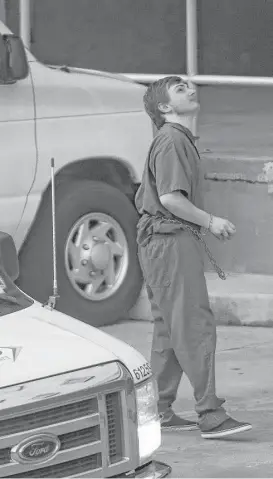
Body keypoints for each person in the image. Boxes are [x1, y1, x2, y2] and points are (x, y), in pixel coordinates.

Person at [135, 76, 252, 439]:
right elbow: (171, 198)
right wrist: (211, 221)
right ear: (165, 108)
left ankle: (157, 409)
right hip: (169, 241)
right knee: (193, 325)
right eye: (179, 89)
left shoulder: (176, 140)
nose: (189, 89)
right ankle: (210, 414)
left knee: (170, 329)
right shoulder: (172, 141)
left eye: (190, 85)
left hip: (162, 243)